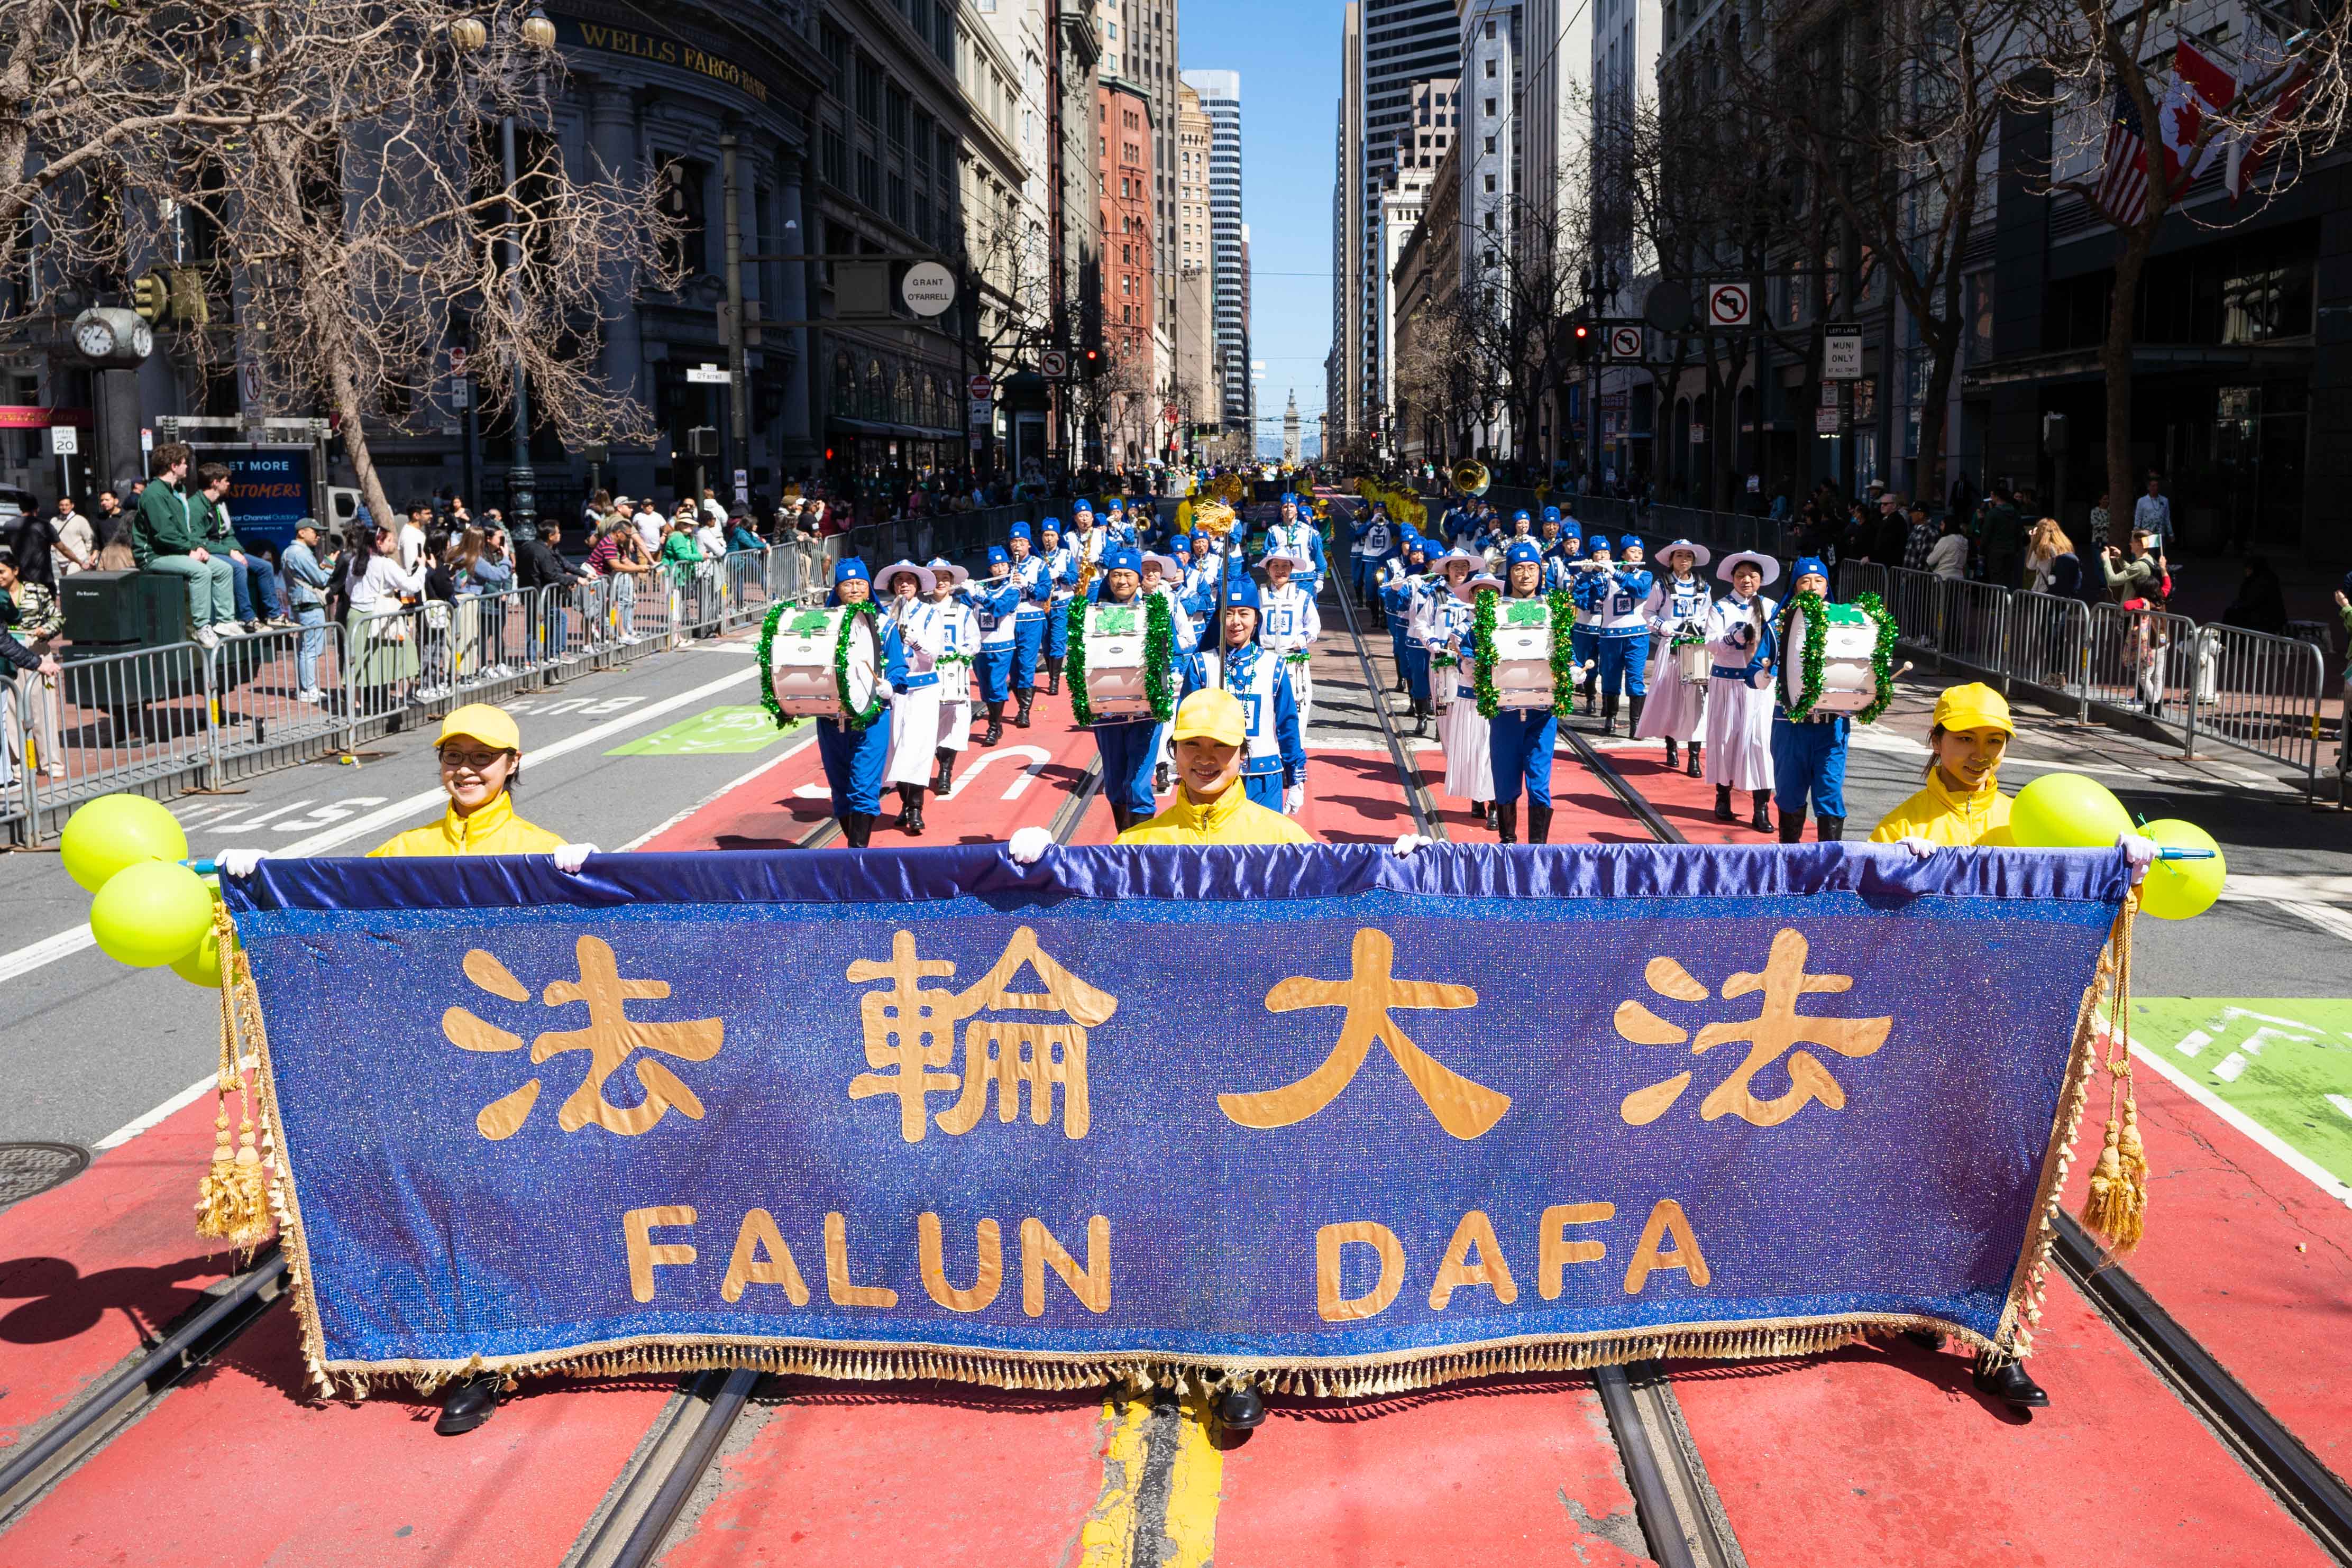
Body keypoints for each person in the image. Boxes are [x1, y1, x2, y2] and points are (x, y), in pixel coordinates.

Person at [213, 701, 595, 1436]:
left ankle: (495, 1360)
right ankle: (461, 1353)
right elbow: (330, 910)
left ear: (513, 764)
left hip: (510, 1076)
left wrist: (588, 882)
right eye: (454, 754)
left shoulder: (541, 848)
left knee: (498, 1213)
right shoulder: (404, 849)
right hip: (420, 1070)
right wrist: (256, 883)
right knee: (435, 1209)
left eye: (483, 756)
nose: (467, 768)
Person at [1104, 687, 1313, 848]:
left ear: (1242, 754)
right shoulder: (1135, 847)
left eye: (1220, 745)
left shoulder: (1287, 843)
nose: (1205, 759)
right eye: (1192, 743)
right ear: (1174, 751)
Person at [1186, 576, 1305, 816]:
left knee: (1264, 851)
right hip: (1212, 777)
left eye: (1244, 613)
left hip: (1263, 779)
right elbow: (1186, 728)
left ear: (1256, 619)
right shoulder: (1202, 664)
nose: (1236, 622)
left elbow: (1287, 725)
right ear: (1219, 618)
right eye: (1229, 613)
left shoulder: (1275, 666)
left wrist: (1296, 780)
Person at [814, 560, 908, 847]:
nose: (854, 589)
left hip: (872, 718)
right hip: (832, 719)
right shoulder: (823, 623)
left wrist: (891, 685)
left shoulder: (884, 625)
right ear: (838, 590)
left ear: (869, 589)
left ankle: (857, 858)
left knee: (864, 788)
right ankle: (854, 856)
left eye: (860, 584)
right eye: (847, 584)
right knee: (840, 789)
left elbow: (899, 668)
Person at [1766, 557, 1854, 843]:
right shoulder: (1779, 624)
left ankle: (1829, 866)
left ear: (1827, 587)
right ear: (1795, 587)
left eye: (1819, 582)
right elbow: (1755, 670)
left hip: (1832, 726)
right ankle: (1789, 862)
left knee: (1829, 794)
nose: (1812, 587)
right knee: (1790, 795)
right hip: (1790, 725)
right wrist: (1767, 671)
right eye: (1805, 581)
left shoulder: (1845, 622)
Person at [1480, 542, 1561, 844]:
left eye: (1532, 569)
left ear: (1540, 573)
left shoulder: (1553, 610)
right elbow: (1474, 647)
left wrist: (1574, 671)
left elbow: (1566, 654)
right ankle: (1508, 843)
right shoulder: (1494, 612)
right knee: (1505, 779)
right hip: (1505, 711)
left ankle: (1539, 849)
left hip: (1542, 713)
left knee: (1540, 780)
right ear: (1508, 574)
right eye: (1518, 569)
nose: (1526, 576)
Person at [133, 443, 237, 648]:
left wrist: (197, 546)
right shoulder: (154, 494)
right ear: (173, 466)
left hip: (175, 551)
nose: (187, 467)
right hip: (155, 556)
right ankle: (202, 628)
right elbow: (164, 534)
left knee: (224, 569)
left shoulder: (177, 490)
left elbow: (184, 529)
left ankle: (226, 622)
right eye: (184, 463)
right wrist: (189, 551)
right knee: (201, 572)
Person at [1417, 547, 1493, 828]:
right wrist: (1434, 644)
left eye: (1464, 567)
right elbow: (1422, 625)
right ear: (1447, 569)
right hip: (1443, 665)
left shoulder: (1484, 597)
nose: (1459, 571)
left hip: (1475, 673)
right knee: (1447, 719)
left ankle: (1481, 786)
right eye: (1455, 567)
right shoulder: (1435, 595)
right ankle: (1458, 765)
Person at [1705, 551, 1779, 834]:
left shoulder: (1771, 607)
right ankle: (1723, 797)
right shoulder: (1721, 608)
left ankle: (1761, 808)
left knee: (1761, 744)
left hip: (1759, 683)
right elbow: (1710, 644)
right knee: (1726, 738)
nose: (1746, 580)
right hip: (1727, 681)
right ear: (1732, 579)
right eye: (1741, 576)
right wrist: (1730, 638)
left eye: (1752, 576)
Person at [877, 561, 945, 836]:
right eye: (899, 580)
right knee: (896, 748)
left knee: (916, 748)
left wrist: (915, 640)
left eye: (909, 580)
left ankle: (916, 808)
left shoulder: (930, 614)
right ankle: (906, 804)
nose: (903, 584)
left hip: (923, 688)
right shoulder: (885, 616)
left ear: (917, 586)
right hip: (896, 691)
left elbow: (935, 653)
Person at [1635, 539, 1712, 775]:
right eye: (1679, 555)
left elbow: (1710, 613)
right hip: (1671, 648)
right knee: (1670, 698)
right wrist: (1662, 625)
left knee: (1696, 702)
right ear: (1671, 560)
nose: (1684, 560)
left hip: (1696, 648)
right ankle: (1672, 746)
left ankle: (1695, 756)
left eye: (1688, 555)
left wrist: (1704, 626)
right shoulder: (1663, 585)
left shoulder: (1703, 585)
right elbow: (1648, 613)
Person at [0, 547, 63, 784]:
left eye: (3, 572)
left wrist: (45, 630)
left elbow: (57, 617)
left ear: (15, 571)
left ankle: (51, 763)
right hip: (10, 653)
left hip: (36, 649)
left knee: (43, 710)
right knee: (13, 712)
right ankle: (21, 764)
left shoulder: (36, 591)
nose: (0, 577)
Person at [1584, 535, 1654, 738]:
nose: (1637, 555)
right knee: (1610, 676)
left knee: (1635, 678)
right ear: (1623, 554)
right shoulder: (1607, 576)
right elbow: (1591, 599)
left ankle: (1636, 724)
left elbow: (1639, 590)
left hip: (1637, 635)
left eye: (1640, 552)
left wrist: (1614, 572)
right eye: (1633, 551)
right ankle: (1610, 719)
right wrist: (1592, 574)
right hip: (1610, 636)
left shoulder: (1645, 575)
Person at [925, 558, 978, 796]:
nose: (941, 583)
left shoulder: (963, 611)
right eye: (936, 578)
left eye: (945, 578)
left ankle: (946, 771)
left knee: (955, 722)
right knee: (928, 722)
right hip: (926, 674)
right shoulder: (920, 608)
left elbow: (974, 641)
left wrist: (963, 654)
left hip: (955, 675)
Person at [1259, 547, 1321, 736]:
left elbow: (1314, 626)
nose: (1280, 570)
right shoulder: (1258, 596)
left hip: (1294, 664)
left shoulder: (1302, 597)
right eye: (1275, 566)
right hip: (1265, 661)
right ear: (1268, 569)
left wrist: (1302, 639)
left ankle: (1294, 757)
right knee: (1266, 710)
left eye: (1285, 566)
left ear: (1292, 569)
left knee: (1296, 711)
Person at [968, 544, 1022, 746]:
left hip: (1002, 646)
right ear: (989, 569)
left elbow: (999, 608)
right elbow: (962, 604)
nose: (1000, 569)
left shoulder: (1013, 589)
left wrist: (977, 596)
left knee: (997, 686)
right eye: (996, 566)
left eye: (1003, 565)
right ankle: (996, 723)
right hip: (981, 647)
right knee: (985, 689)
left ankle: (992, 728)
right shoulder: (980, 587)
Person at [278, 519, 335, 705]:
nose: (318, 536)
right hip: (309, 606)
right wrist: (329, 564)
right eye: (314, 531)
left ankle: (306, 688)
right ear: (302, 533)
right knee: (310, 650)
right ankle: (308, 689)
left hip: (302, 605)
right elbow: (320, 579)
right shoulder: (300, 553)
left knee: (306, 649)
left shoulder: (289, 552)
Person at [1004, 520, 1050, 727]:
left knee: (1026, 665)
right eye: (1014, 542)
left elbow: (1044, 593)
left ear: (1029, 544)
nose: (1017, 546)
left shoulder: (1039, 565)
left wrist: (1027, 584)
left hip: (1032, 619)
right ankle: (1019, 703)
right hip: (1009, 620)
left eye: (1021, 542)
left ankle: (1025, 712)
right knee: (1012, 667)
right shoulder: (1004, 566)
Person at [1037, 518, 1078, 695]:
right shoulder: (1038, 557)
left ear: (1058, 537)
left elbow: (1074, 578)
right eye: (1046, 535)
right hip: (1044, 604)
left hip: (1062, 603)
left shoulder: (1066, 555)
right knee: (1046, 642)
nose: (1049, 539)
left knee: (1058, 641)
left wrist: (1060, 574)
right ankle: (1050, 675)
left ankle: (1055, 681)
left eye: (1052, 535)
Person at [2133, 473, 2173, 552]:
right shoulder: (2142, 501)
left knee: (2161, 556)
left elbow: (2167, 518)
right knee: (2150, 557)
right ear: (2149, 487)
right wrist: (2136, 534)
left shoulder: (2164, 500)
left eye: (2157, 486)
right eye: (2153, 486)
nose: (2155, 488)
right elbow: (2138, 518)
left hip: (2160, 534)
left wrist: (2171, 534)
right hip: (2147, 534)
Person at [1925, 515, 1969, 579]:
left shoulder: (1946, 540)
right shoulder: (1965, 541)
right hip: (1959, 579)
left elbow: (1930, 561)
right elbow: (1964, 562)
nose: (1940, 528)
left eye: (1942, 525)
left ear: (1948, 526)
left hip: (1943, 578)